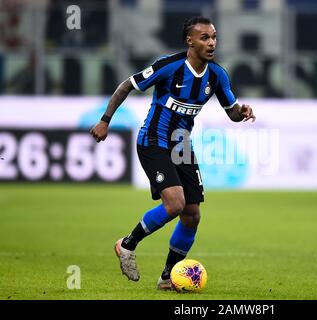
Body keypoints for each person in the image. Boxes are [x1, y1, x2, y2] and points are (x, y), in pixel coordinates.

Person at [89, 16, 256, 290]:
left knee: (192, 214)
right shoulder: (169, 66)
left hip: (182, 145)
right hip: (153, 140)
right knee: (175, 204)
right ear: (190, 41)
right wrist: (105, 120)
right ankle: (127, 245)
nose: (211, 42)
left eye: (214, 37)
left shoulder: (217, 75)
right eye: (205, 37)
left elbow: (232, 112)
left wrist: (242, 112)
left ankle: (167, 278)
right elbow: (126, 86)